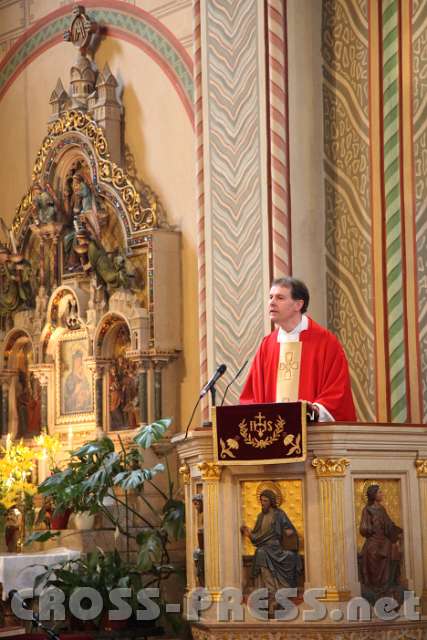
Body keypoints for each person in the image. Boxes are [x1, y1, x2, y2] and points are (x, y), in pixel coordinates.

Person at [240, 276, 356, 421]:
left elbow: (337, 390)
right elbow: (252, 394)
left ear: (298, 305)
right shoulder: (267, 345)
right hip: (272, 435)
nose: (272, 302)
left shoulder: (325, 342)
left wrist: (314, 411)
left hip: (313, 434)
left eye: (280, 298)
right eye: (271, 297)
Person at [241, 489, 301, 614]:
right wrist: (248, 533)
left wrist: (289, 531)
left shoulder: (279, 514)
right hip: (264, 548)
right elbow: (257, 535)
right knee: (261, 553)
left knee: (290, 557)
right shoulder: (260, 516)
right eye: (261, 500)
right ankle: (269, 592)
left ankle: (279, 594)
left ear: (272, 501)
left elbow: (290, 529)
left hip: (276, 547)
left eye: (265, 501)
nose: (263, 503)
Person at [359, 484, 404, 606]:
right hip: (373, 541)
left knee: (393, 554)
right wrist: (371, 527)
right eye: (379, 492)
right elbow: (363, 528)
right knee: (372, 558)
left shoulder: (382, 509)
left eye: (381, 492)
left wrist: (396, 531)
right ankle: (375, 588)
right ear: (373, 495)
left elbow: (389, 524)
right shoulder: (367, 510)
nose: (382, 494)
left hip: (384, 541)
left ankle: (387, 587)